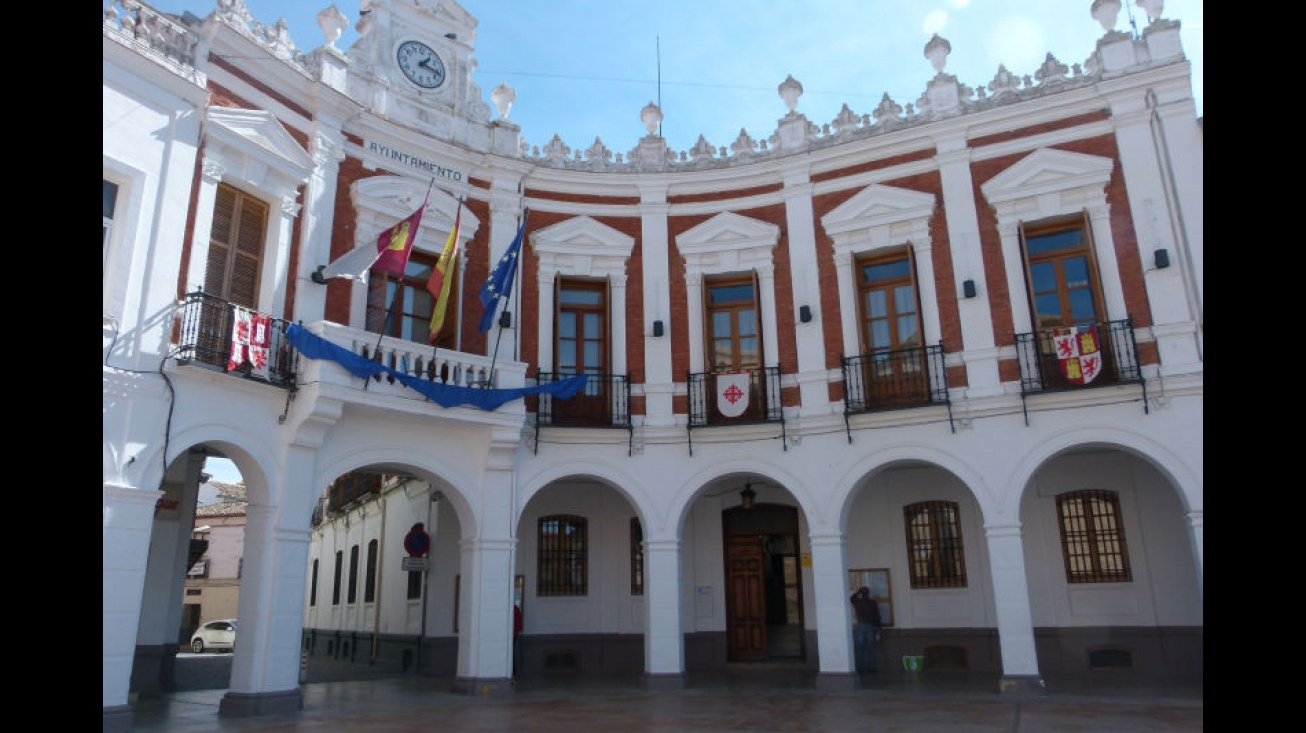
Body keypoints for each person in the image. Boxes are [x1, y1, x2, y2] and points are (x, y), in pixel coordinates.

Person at [850, 586, 882, 673]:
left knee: (860, 649)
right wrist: (879, 628)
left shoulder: (858, 602)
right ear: (868, 594)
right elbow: (877, 616)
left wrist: (857, 592)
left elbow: (851, 598)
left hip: (861, 626)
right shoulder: (873, 603)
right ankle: (871, 669)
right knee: (870, 648)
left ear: (861, 594)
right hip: (870, 626)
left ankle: (860, 669)